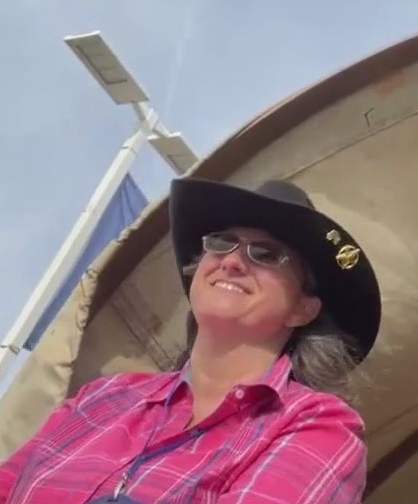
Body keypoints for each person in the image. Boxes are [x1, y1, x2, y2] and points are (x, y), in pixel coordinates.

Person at [0, 177, 382, 504]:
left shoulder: (318, 426)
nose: (232, 261)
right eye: (221, 242)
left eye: (266, 254)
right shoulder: (100, 398)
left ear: (302, 309)